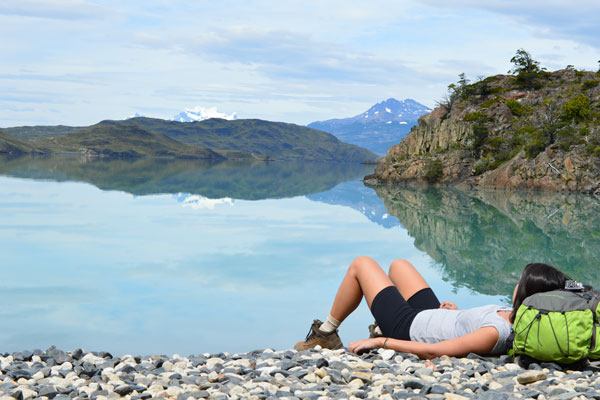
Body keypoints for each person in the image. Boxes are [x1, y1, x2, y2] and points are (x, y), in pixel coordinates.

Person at [294, 257, 569, 359]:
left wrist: (383, 341)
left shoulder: (496, 332)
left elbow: (433, 350)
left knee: (361, 265)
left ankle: (326, 334)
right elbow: (471, 327)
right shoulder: (512, 316)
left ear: (527, 293)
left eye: (520, 282)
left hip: (409, 327)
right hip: (433, 316)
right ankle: (380, 320)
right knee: (399, 265)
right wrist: (457, 314)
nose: (515, 283)